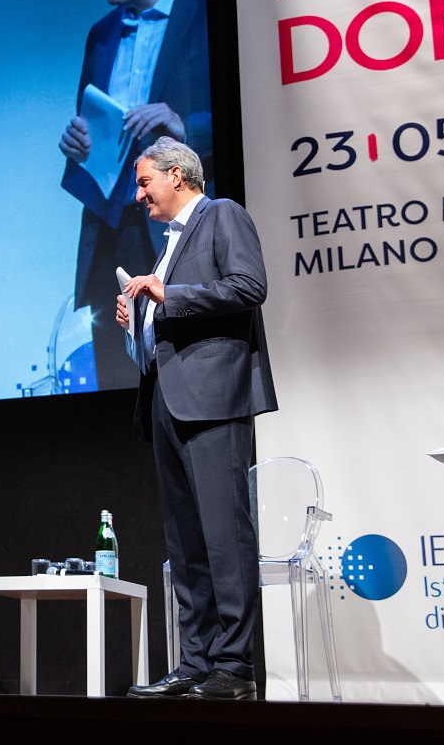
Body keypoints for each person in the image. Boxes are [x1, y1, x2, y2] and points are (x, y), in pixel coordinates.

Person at [115, 137, 276, 700]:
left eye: (145, 182)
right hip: (166, 398)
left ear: (177, 176)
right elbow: (170, 316)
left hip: (212, 399)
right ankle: (196, 661)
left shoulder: (221, 215)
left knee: (224, 535)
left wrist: (168, 293)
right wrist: (138, 320)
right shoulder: (168, 243)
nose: (139, 195)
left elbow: (249, 286)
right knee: (184, 542)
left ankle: (234, 666)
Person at [59, 0, 213, 392]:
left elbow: (254, 103)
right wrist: (78, 144)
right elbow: (93, 125)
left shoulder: (212, 2)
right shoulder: (101, 34)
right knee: (120, 387)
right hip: (112, 230)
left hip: (184, 226)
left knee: (193, 380)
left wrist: (185, 128)